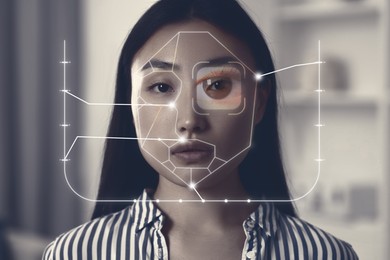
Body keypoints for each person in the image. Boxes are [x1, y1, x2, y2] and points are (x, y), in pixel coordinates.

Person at [43, 0, 359, 259]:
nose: (189, 121)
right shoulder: (74, 253)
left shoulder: (326, 254)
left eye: (217, 85)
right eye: (162, 86)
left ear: (259, 104)